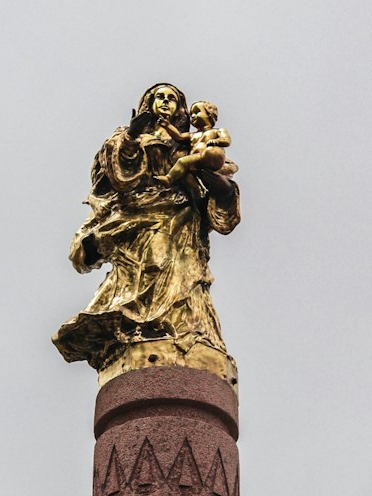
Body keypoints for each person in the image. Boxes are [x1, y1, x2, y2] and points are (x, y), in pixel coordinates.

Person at [52, 84, 240, 374]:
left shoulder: (189, 144)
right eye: (159, 97)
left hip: (181, 218)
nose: (165, 102)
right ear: (147, 103)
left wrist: (218, 185)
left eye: (172, 100)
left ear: (181, 110)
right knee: (149, 264)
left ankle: (180, 335)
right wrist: (130, 137)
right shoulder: (126, 137)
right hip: (136, 220)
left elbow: (220, 201)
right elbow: (114, 177)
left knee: (184, 287)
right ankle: (139, 331)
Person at [160, 100, 236, 188]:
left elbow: (226, 140)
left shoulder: (217, 131)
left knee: (182, 161)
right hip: (196, 161)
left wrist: (216, 141)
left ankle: (169, 179)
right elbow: (179, 136)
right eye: (191, 114)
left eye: (197, 112)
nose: (193, 116)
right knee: (188, 173)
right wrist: (167, 125)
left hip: (211, 157)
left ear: (209, 114)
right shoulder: (192, 135)